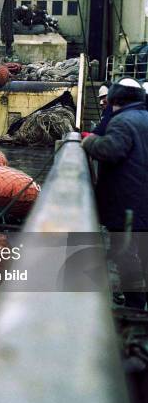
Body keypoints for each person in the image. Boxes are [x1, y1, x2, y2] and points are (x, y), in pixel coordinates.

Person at [82, 77, 148, 308]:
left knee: (125, 253)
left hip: (126, 202)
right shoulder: (144, 118)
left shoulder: (122, 121)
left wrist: (89, 143)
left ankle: (135, 305)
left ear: (115, 100)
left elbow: (111, 150)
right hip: (142, 201)